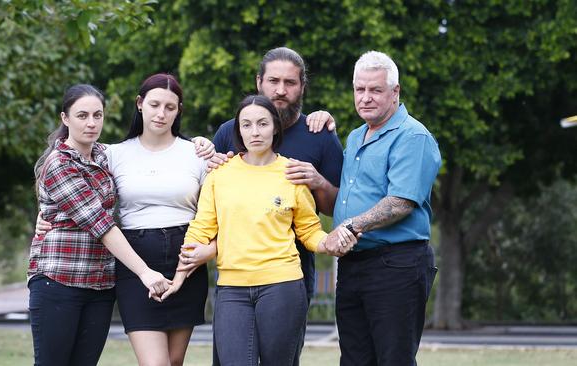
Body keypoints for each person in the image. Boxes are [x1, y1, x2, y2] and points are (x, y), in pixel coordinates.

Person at [34, 74, 215, 366]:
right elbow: (89, 209)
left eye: (170, 107)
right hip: (127, 260)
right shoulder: (112, 155)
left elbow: (217, 211)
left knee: (174, 361)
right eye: (155, 104)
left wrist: (206, 144)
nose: (161, 113)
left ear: (179, 110)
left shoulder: (196, 154)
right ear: (140, 104)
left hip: (177, 262)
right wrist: (43, 215)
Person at [179, 47, 344, 365]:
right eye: (273, 81)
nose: (281, 90)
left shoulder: (320, 135)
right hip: (234, 277)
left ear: (302, 86)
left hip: (288, 274)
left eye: (290, 82)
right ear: (259, 82)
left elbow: (336, 207)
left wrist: (318, 181)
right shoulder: (230, 131)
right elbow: (215, 207)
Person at [332, 51, 442, 366]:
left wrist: (350, 227)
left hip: (396, 265)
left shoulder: (413, 136)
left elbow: (401, 202)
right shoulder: (354, 137)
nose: (365, 98)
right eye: (359, 89)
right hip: (354, 264)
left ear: (395, 92)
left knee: (393, 359)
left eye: (375, 90)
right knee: (354, 359)